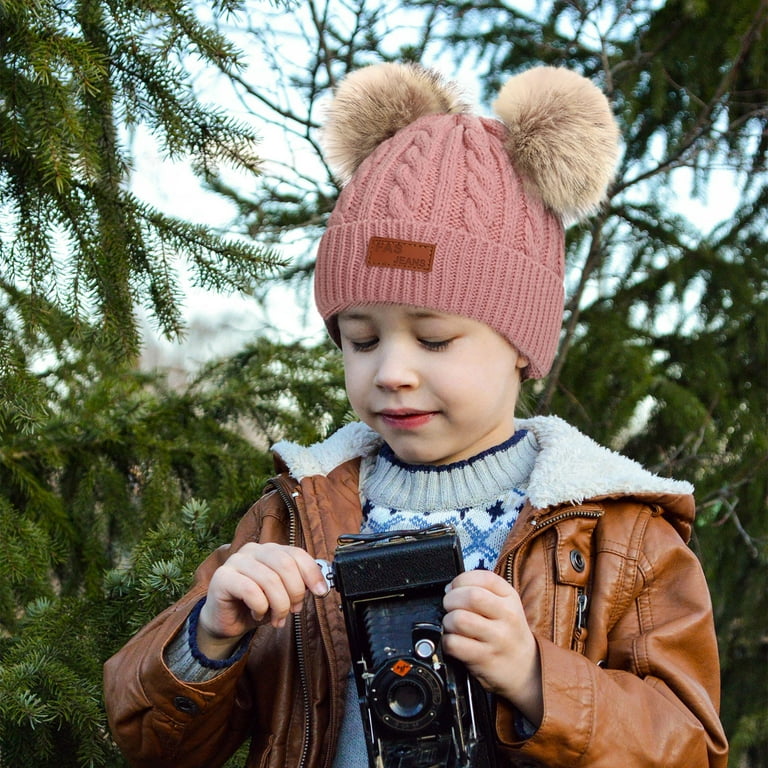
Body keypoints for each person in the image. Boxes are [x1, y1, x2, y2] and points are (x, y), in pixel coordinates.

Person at [104, 62, 728, 768]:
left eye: (434, 339)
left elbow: (690, 749)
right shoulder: (293, 519)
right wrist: (210, 635)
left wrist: (535, 678)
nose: (392, 371)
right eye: (361, 339)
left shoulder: (619, 537)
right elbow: (153, 742)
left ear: (522, 348)